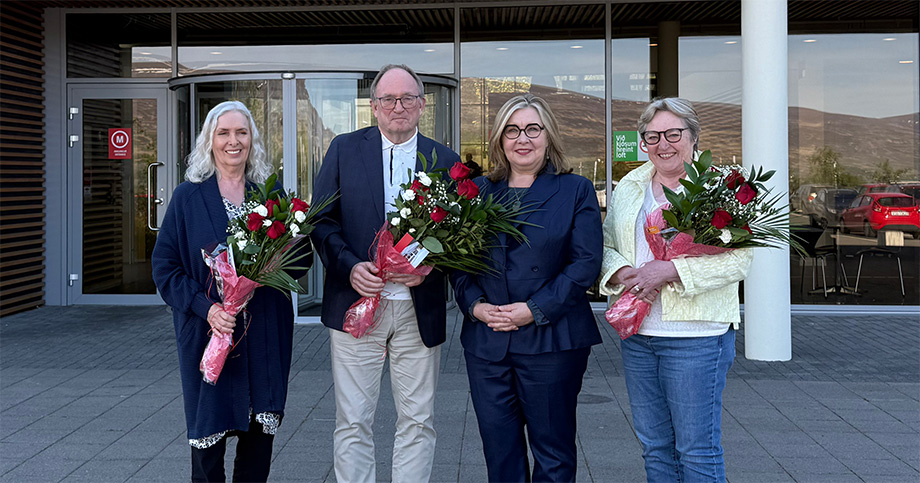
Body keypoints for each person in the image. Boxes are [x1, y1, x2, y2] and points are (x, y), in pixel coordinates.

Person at [309, 64, 460, 483]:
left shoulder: (444, 160)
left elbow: (462, 236)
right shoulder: (343, 149)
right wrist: (349, 266)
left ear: (422, 105)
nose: (399, 107)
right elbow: (321, 222)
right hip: (357, 305)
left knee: (417, 420)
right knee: (353, 421)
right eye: (388, 99)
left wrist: (432, 266)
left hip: (418, 309)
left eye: (408, 98)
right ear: (373, 106)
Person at [598, 97, 753, 483]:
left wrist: (670, 270)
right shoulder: (631, 185)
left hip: (697, 337)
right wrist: (623, 273)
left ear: (694, 137)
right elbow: (605, 245)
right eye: (652, 136)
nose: (662, 144)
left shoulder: (723, 186)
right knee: (654, 446)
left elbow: (740, 260)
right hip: (639, 335)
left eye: (672, 134)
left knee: (696, 450)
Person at [450, 93, 603, 482]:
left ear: (548, 136)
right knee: (499, 453)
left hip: (552, 340)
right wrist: (475, 306)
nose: (523, 139)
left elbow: (585, 264)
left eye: (532, 129)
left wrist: (533, 309)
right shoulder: (478, 191)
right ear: (499, 139)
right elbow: (457, 261)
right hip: (487, 341)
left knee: (552, 453)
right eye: (512, 130)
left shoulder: (575, 189)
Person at [152, 100, 304, 482]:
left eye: (241, 132)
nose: (233, 141)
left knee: (257, 447)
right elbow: (165, 268)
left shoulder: (270, 197)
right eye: (224, 133)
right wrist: (207, 309)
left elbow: (302, 259)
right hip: (210, 334)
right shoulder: (188, 198)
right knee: (208, 442)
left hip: (264, 333)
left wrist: (276, 265)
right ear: (210, 141)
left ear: (252, 140)